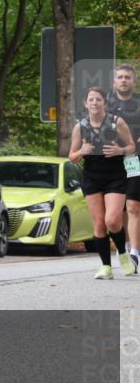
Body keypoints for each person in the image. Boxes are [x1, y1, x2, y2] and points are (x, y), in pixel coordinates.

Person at [68, 87, 135, 279]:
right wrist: (82, 151)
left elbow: (131, 146)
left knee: (112, 220)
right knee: (99, 224)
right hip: (91, 177)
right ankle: (106, 267)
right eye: (91, 99)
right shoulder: (80, 127)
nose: (95, 103)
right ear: (86, 103)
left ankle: (123, 253)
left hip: (115, 176)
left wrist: (119, 151)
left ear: (104, 103)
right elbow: (71, 156)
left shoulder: (116, 122)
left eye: (98, 99)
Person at [106, 63, 140, 274]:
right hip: (112, 161)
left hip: (135, 159)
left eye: (128, 77)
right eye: (120, 77)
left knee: (134, 205)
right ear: (114, 81)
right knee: (120, 209)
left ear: (133, 81)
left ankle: (135, 252)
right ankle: (125, 246)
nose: (124, 80)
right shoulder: (106, 105)